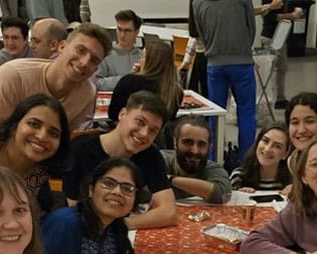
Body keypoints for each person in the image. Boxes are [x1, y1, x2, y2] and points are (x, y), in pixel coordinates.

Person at [63, 90, 177, 230]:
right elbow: (75, 210)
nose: (144, 134)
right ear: (122, 114)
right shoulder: (80, 151)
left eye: (153, 130)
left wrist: (120, 227)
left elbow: (169, 212)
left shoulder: (150, 154)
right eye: (140, 122)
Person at [0, 23, 111, 134]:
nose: (84, 62)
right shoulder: (12, 76)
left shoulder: (86, 93)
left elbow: (63, 141)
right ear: (62, 47)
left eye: (94, 60)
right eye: (80, 50)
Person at [193, 0, 257, 163]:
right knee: (246, 112)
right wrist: (243, 50)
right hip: (242, 62)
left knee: (215, 114)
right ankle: (246, 162)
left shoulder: (197, 2)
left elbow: (202, 33)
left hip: (215, 64)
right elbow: (251, 27)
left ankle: (213, 160)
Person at [0, 94, 71, 197]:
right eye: (34, 124)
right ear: (14, 126)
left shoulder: (45, 176)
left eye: (53, 133)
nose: (42, 137)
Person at [108, 37, 183, 125]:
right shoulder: (176, 91)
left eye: (143, 56)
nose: (139, 60)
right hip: (158, 136)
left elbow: (113, 114)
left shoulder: (129, 82)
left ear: (150, 61)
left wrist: (133, 75)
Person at [162, 115, 232, 204]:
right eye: (188, 142)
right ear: (175, 143)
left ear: (209, 147)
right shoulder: (160, 160)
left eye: (201, 144)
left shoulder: (214, 169)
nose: (195, 151)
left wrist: (169, 179)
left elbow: (223, 195)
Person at [256, 0, 303, 109]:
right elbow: (269, 17)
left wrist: (296, 10)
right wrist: (291, 15)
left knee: (281, 68)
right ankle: (265, 98)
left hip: (280, 34)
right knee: (269, 69)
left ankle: (279, 98)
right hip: (272, 37)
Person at [230, 122, 290, 192]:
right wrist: (241, 196)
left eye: (277, 146)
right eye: (265, 141)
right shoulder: (238, 177)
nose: (267, 149)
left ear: (285, 154)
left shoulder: (293, 182)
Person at [95, 9, 143, 92]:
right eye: (119, 29)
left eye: (127, 31)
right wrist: (126, 80)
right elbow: (97, 83)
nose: (122, 35)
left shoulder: (142, 56)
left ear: (136, 32)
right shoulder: (105, 54)